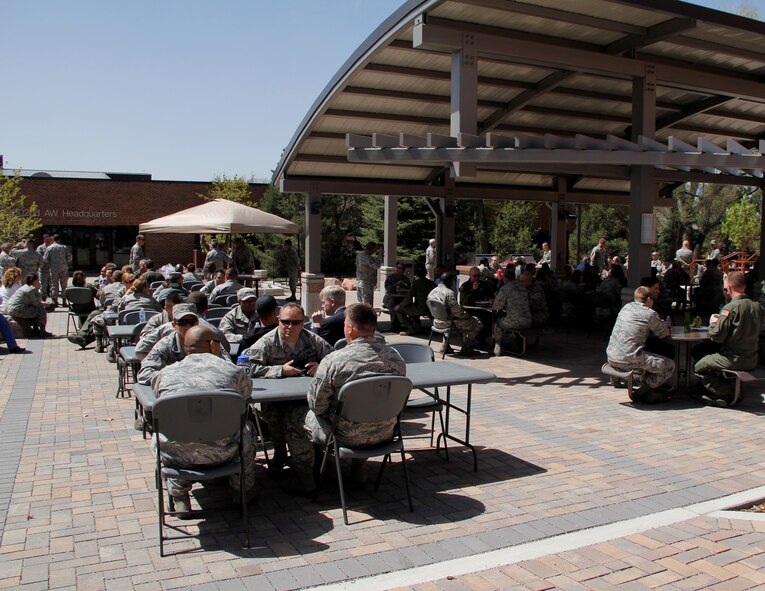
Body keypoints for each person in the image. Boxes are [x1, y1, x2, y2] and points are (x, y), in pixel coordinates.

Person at [283, 303, 406, 495]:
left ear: (349, 328)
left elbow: (317, 405)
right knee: (368, 410)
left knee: (293, 415)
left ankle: (307, 481)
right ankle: (359, 473)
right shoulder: (396, 358)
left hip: (343, 436)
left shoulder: (335, 361)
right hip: (386, 432)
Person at [151, 325, 256, 512]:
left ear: (185, 348)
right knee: (248, 429)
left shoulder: (164, 374)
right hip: (226, 450)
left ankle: (179, 496)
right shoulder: (232, 371)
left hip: (176, 454)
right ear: (213, 346)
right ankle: (242, 491)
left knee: (168, 434)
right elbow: (245, 394)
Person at [243, 302, 333, 471]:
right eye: (285, 321)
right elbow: (246, 366)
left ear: (303, 323)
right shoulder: (267, 341)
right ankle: (279, 451)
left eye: (295, 322)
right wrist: (279, 370)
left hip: (303, 398)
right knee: (275, 415)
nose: (289, 326)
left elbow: (334, 359)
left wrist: (321, 365)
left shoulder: (313, 339)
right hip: (274, 400)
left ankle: (315, 455)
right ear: (278, 321)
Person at [692, 271, 762, 407]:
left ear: (729, 287)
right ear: (745, 286)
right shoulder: (757, 306)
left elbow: (718, 337)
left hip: (733, 358)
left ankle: (726, 392)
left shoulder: (730, 307)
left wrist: (713, 323)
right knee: (701, 350)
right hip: (752, 357)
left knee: (698, 366)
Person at [606, 286, 674, 403]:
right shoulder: (649, 314)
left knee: (648, 351)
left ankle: (623, 380)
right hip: (629, 359)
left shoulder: (626, 308)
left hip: (611, 356)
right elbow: (663, 334)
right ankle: (644, 389)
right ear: (648, 299)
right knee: (669, 365)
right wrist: (666, 325)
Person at [137, 304, 201, 385]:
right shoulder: (166, 345)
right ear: (174, 325)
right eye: (182, 322)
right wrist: (175, 376)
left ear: (197, 323)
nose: (188, 326)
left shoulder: (208, 341)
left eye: (191, 322)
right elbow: (145, 373)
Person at [427, 272, 482, 356]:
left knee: (449, 318)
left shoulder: (432, 292)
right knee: (477, 322)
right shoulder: (449, 293)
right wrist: (467, 315)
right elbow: (458, 312)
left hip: (436, 321)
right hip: (448, 323)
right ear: (450, 282)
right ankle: (467, 347)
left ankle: (445, 345)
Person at [492, 270, 531, 355]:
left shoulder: (505, 288)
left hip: (515, 321)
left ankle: (497, 345)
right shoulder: (522, 287)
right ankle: (513, 341)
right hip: (528, 320)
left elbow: (496, 306)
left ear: (504, 279)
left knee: (497, 323)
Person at [394, 264, 437, 336]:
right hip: (431, 307)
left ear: (416, 274)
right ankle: (417, 327)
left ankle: (410, 328)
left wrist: (400, 305)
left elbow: (408, 298)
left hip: (421, 308)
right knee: (413, 307)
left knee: (398, 309)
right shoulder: (432, 283)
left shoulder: (417, 283)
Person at [6, 274, 51, 338]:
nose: (39, 282)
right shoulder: (31, 289)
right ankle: (42, 331)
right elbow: (37, 304)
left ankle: (36, 329)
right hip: (17, 309)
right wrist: (45, 304)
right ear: (35, 281)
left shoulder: (24, 287)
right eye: (38, 280)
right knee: (41, 309)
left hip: (10, 308)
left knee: (34, 309)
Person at [43, 234, 72, 307]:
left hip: (53, 268)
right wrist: (64, 262)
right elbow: (69, 257)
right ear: (59, 240)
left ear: (53, 239)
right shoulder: (64, 247)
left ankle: (55, 301)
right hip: (63, 268)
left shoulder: (49, 248)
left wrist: (51, 262)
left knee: (54, 284)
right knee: (64, 285)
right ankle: (64, 301)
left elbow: (45, 259)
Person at [382, 263, 410, 331]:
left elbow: (409, 288)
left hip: (401, 298)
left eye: (400, 268)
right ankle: (394, 325)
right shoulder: (391, 277)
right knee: (393, 306)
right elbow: (387, 288)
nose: (398, 269)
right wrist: (396, 285)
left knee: (405, 305)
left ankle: (406, 324)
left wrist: (403, 285)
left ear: (403, 270)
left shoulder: (405, 279)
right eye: (398, 267)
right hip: (391, 298)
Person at [355, 241, 380, 306]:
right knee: (367, 304)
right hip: (366, 283)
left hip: (359, 282)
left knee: (361, 303)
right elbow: (376, 265)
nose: (375, 251)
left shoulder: (359, 255)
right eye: (374, 249)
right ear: (371, 249)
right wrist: (381, 255)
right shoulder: (367, 257)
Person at [35, 234, 53, 301]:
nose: (48, 240)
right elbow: (38, 257)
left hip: (52, 269)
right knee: (43, 285)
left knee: (53, 285)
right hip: (43, 269)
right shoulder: (40, 248)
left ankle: (54, 301)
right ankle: (43, 300)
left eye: (49, 239)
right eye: (46, 239)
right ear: (43, 240)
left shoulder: (53, 247)